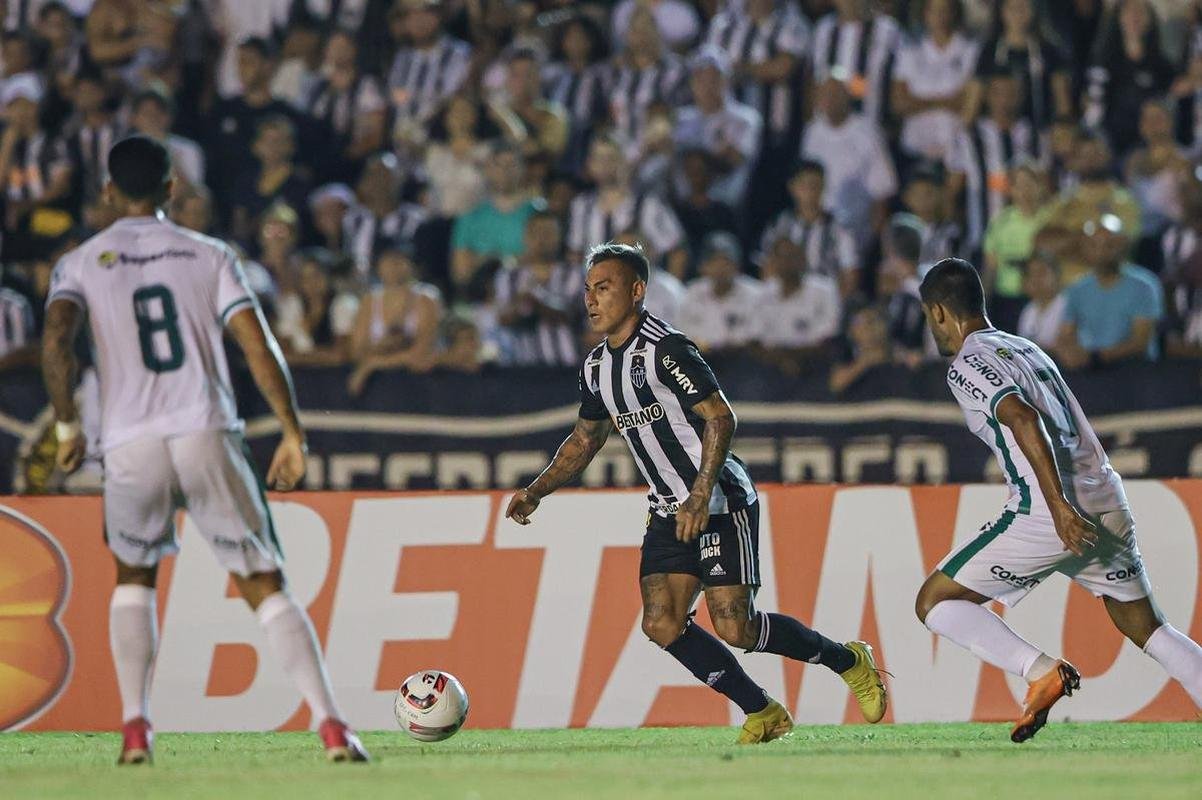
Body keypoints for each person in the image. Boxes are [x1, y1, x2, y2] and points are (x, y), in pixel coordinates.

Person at [40, 135, 367, 764]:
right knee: (263, 580)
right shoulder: (209, 253)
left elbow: (56, 339)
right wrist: (292, 431)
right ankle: (331, 725)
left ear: (107, 192)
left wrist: (66, 425)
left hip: (130, 439)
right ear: (171, 189)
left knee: (134, 576)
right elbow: (257, 344)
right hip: (204, 426)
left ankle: (135, 728)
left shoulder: (79, 262)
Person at [504, 242, 887, 744]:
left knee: (735, 627)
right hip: (668, 509)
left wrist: (701, 494)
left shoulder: (668, 350)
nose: (591, 300)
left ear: (637, 291)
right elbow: (584, 440)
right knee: (661, 623)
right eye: (588, 289)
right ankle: (763, 711)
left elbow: (720, 417)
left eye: (604, 288)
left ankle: (847, 660)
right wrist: (536, 491)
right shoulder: (596, 367)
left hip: (720, 499)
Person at [914, 256, 1202, 743]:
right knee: (1149, 628)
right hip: (1107, 498)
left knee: (934, 602)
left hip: (1049, 511)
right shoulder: (1028, 348)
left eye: (928, 316)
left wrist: (1059, 507)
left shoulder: (967, 363)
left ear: (938, 312)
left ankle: (1040, 671)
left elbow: (1023, 418)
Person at [1056, 214, 1164, 368]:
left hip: (1135, 371)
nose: (1101, 251)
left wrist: (1095, 357)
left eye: (1110, 244)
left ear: (1124, 245)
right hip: (1089, 371)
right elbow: (1065, 336)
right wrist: (1069, 355)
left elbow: (1140, 342)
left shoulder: (1144, 286)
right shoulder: (1077, 289)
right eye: (1094, 245)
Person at [1015, 251, 1065, 349]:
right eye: (1030, 274)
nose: (1035, 279)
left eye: (1041, 272)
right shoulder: (1028, 310)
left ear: (1056, 275)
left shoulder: (1067, 307)